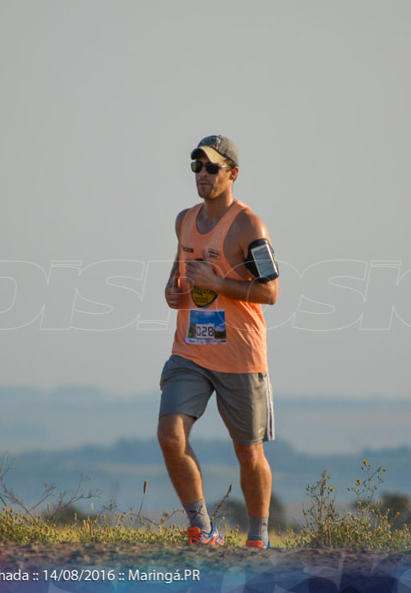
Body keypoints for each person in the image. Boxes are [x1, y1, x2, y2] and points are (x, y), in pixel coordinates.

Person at [158, 135, 280, 549]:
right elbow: (176, 277)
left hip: (240, 357)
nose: (203, 174)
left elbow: (271, 292)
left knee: (248, 454)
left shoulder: (249, 225)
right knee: (170, 435)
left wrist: (220, 284)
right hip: (190, 351)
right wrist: (173, 293)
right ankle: (203, 529)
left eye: (211, 167)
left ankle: (258, 539)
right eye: (197, 167)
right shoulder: (184, 220)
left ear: (233, 173)